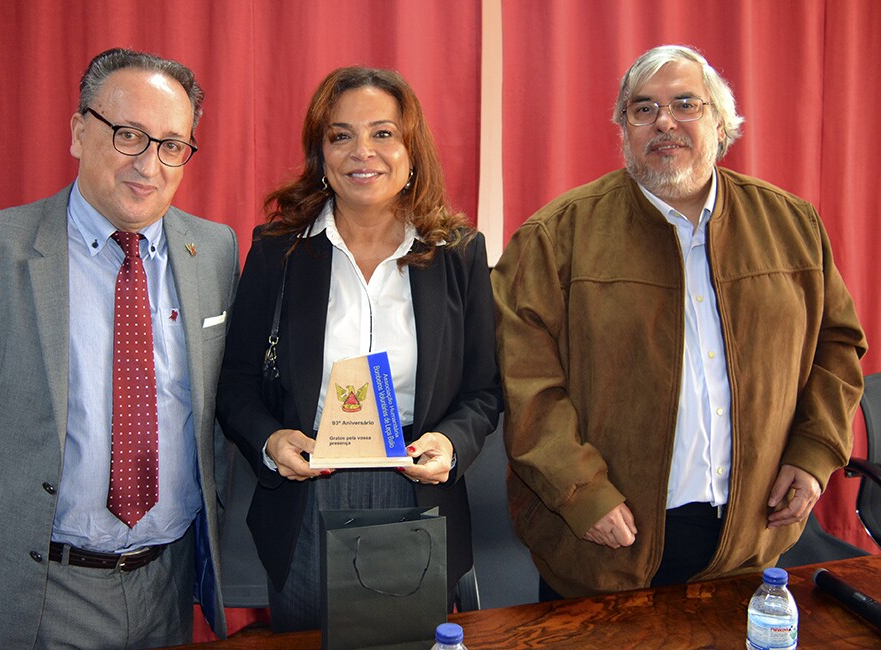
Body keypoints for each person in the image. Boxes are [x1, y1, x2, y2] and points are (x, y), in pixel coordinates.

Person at [492, 44, 867, 600]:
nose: (664, 121)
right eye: (643, 109)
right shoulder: (554, 237)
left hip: (751, 540)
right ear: (624, 129)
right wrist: (582, 493)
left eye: (685, 104)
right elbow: (525, 384)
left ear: (720, 122)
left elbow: (836, 346)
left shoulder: (792, 225)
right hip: (605, 544)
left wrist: (815, 453)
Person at [0, 48, 239, 648]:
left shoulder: (213, 250)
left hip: (169, 579)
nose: (149, 164)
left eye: (171, 144)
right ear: (79, 132)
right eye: (128, 135)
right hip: (35, 585)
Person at [216, 66, 501, 632]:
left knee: (407, 644)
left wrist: (450, 443)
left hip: (415, 490)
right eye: (341, 135)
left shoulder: (458, 254)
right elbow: (236, 382)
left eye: (383, 133)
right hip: (307, 496)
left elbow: (483, 391)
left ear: (411, 150)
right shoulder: (278, 252)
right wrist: (270, 440)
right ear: (320, 155)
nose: (361, 152)